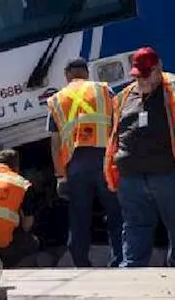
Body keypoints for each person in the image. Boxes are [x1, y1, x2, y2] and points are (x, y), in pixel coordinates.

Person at [103, 47, 175, 268]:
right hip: (132, 177)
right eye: (137, 75)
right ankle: (133, 272)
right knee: (135, 226)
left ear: (158, 69)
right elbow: (114, 134)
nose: (141, 80)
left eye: (146, 74)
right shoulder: (124, 97)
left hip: (172, 174)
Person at [47, 58, 122, 267]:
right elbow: (119, 126)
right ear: (87, 73)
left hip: (75, 165)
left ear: (66, 75)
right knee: (116, 212)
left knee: (79, 216)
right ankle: (119, 259)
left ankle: (81, 261)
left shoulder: (57, 99)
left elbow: (55, 143)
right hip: (104, 161)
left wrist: (60, 175)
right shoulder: (104, 91)